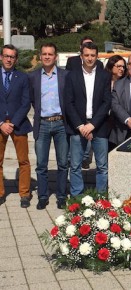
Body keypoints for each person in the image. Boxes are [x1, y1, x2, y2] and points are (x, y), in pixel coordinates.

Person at [64, 42, 112, 196]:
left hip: (99, 126)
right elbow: (68, 102)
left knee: (102, 166)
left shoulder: (105, 75)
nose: (90, 58)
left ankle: (100, 198)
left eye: (93, 55)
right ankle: (77, 197)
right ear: (81, 56)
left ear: (97, 56)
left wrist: (92, 125)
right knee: (75, 165)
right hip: (77, 127)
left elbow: (106, 102)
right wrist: (80, 125)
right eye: (87, 55)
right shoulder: (72, 75)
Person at [29, 43, 69, 210]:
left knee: (62, 163)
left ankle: (61, 196)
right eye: (44, 54)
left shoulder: (65, 75)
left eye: (50, 54)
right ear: (40, 56)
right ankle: (43, 196)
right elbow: (32, 99)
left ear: (55, 56)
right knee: (41, 164)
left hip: (61, 123)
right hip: (43, 123)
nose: (47, 57)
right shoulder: (33, 76)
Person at [0, 44, 32, 208]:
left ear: (16, 59)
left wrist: (12, 123)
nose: (9, 59)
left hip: (18, 124)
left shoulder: (23, 77)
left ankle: (24, 194)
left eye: (12, 56)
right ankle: (0, 193)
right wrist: (1, 123)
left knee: (24, 161)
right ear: (1, 57)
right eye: (6, 56)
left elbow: (26, 103)